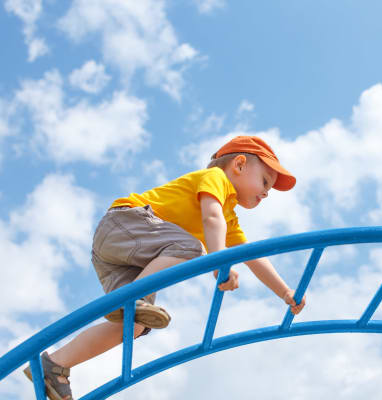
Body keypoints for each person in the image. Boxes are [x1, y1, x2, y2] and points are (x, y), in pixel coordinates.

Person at [24, 135, 306, 400]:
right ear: (239, 165)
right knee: (194, 248)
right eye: (266, 182)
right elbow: (211, 219)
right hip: (125, 224)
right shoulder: (216, 179)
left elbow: (252, 255)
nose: (267, 193)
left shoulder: (229, 218)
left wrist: (285, 292)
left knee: (134, 324)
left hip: (121, 255)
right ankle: (137, 297)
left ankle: (55, 365)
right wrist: (219, 262)